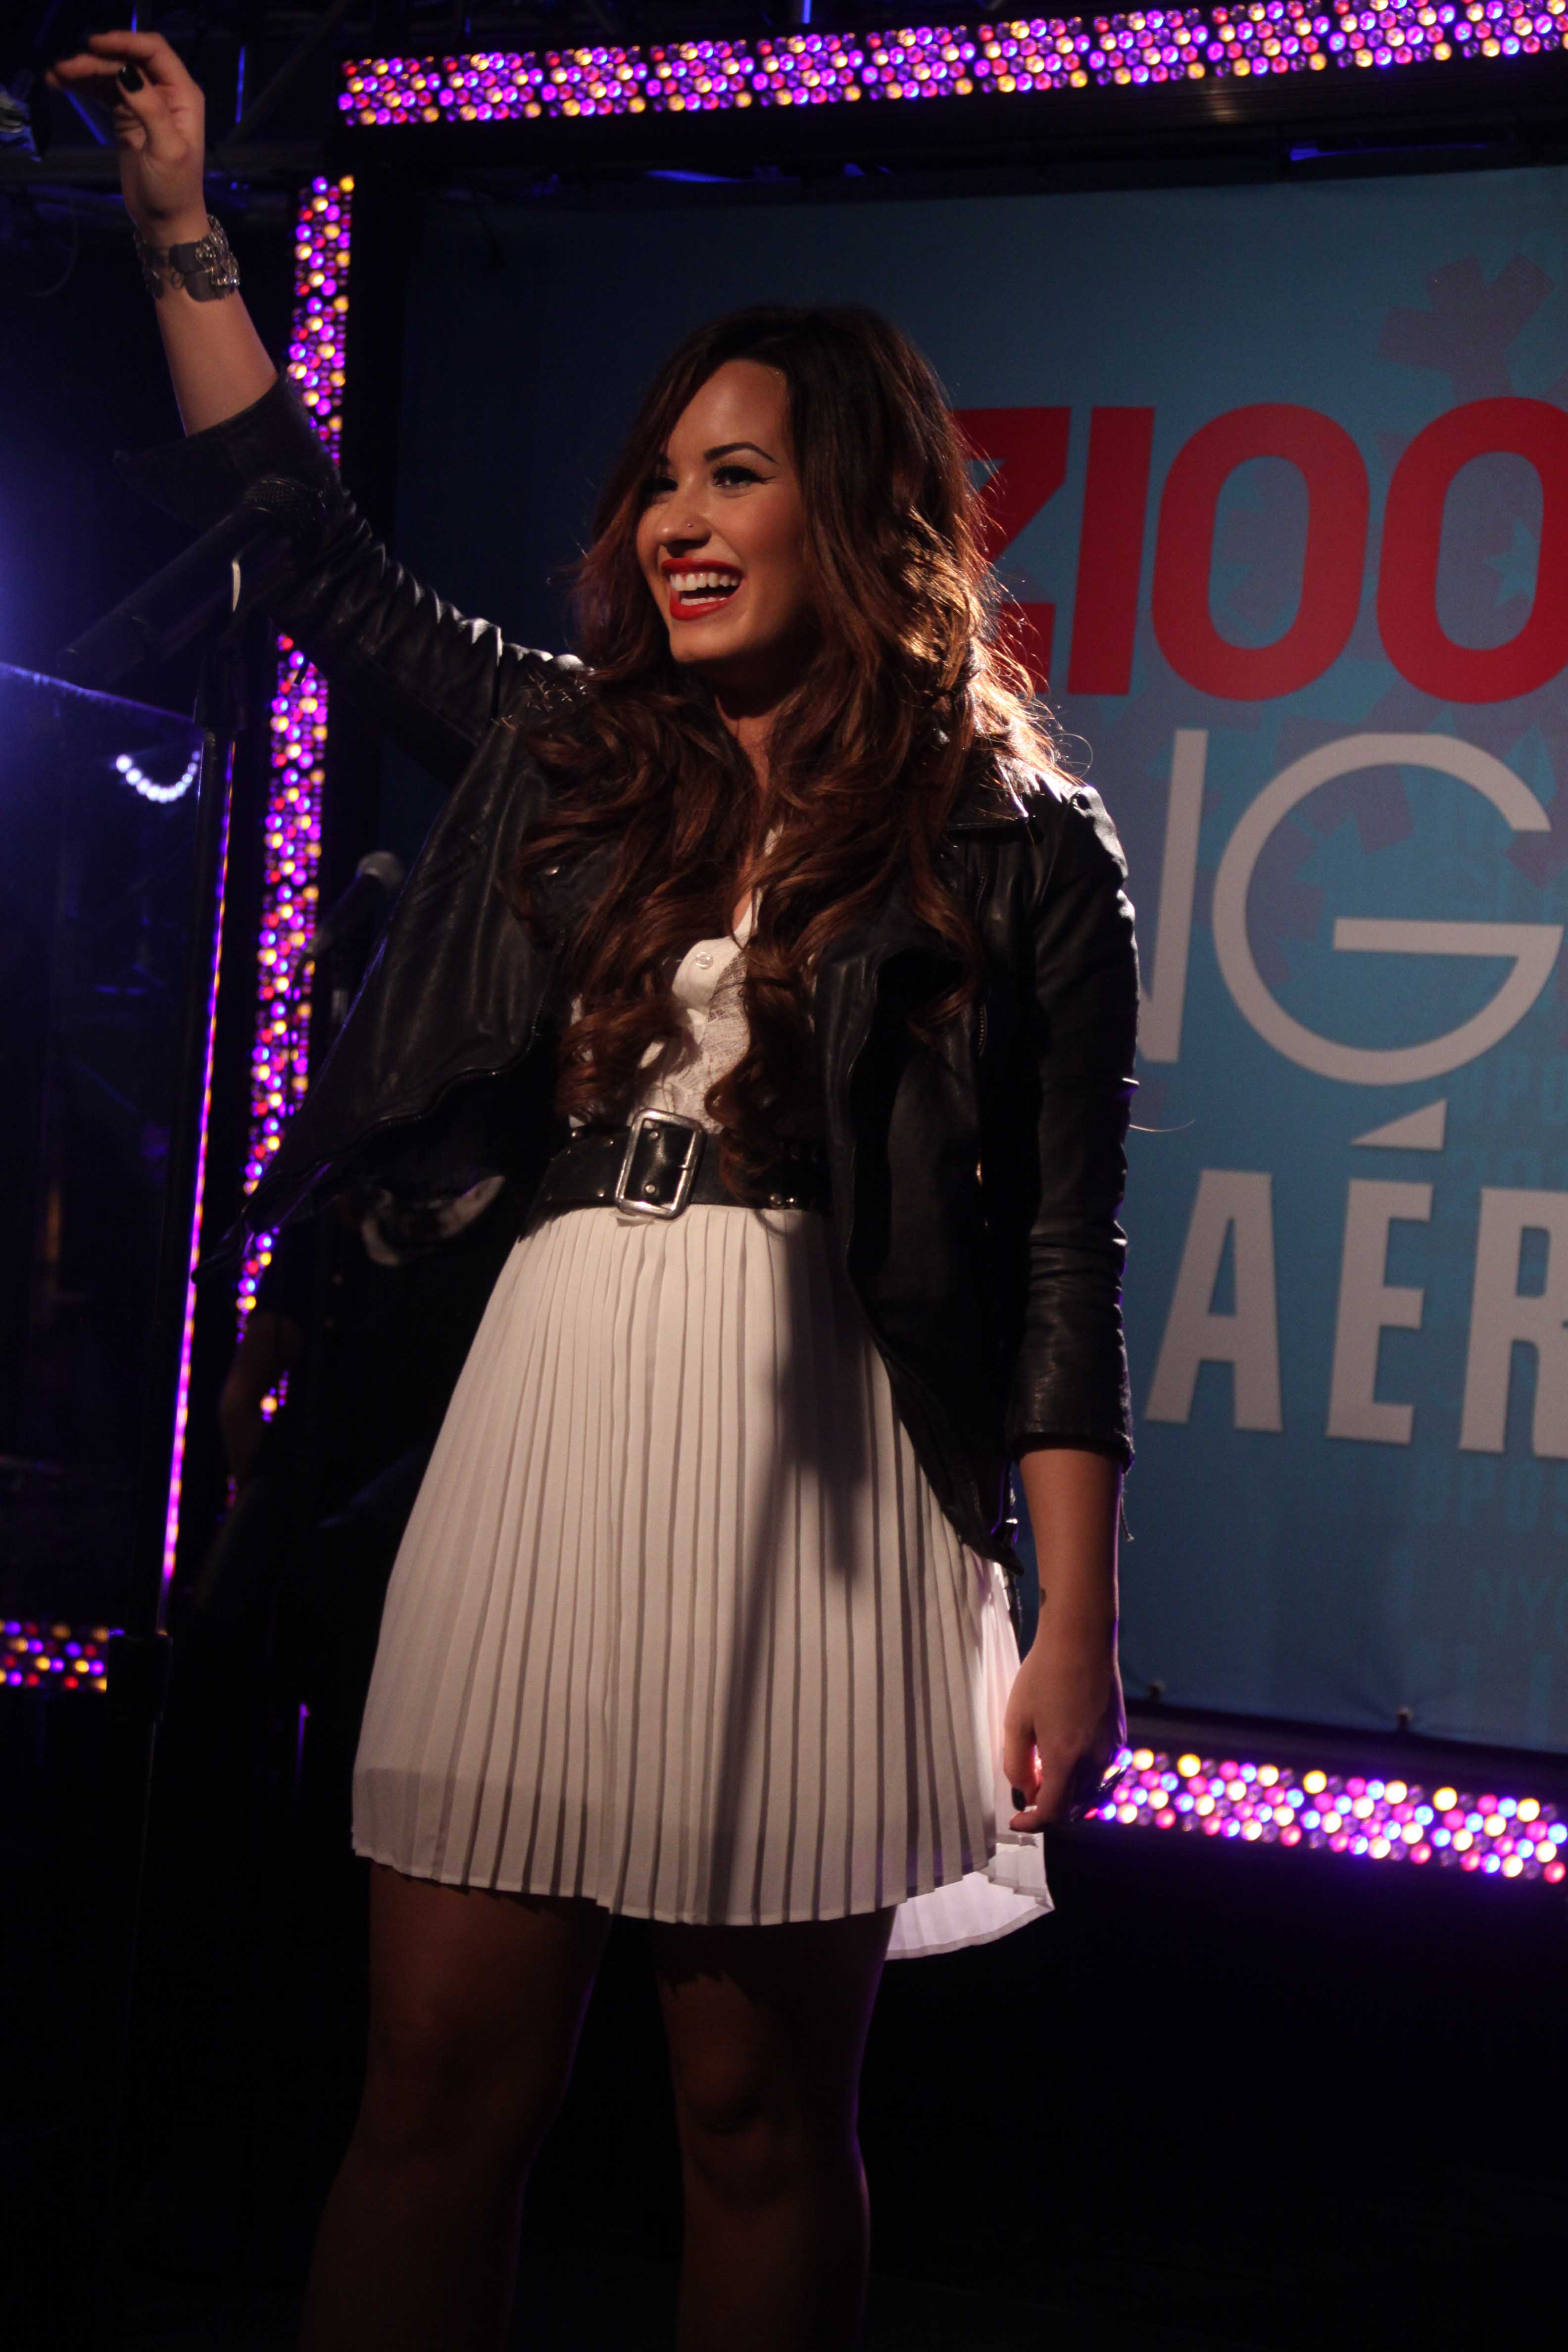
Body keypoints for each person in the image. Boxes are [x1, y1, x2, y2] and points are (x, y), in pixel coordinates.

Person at [52, 31, 1138, 2352]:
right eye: (659, 477)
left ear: (861, 510)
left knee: (755, 2124)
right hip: (545, 1419)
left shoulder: (1021, 848)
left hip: (820, 1477)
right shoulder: (572, 747)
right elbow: (313, 554)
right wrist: (176, 231)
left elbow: (1062, 1255)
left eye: (736, 474)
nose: (677, 519)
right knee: (432, 2099)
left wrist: (1075, 1619)